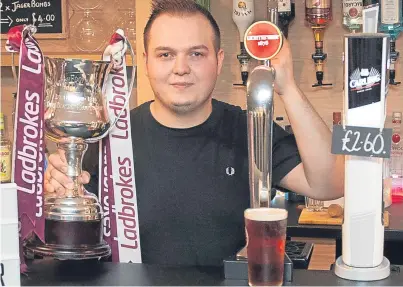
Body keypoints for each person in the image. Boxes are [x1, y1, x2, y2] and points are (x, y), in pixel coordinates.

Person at [44, 0, 344, 266]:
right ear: (146, 61)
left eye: (197, 54)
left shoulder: (249, 127)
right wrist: (55, 189)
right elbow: (68, 237)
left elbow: (329, 184)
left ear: (220, 60)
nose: (181, 68)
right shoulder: (110, 138)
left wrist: (288, 87)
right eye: (165, 54)